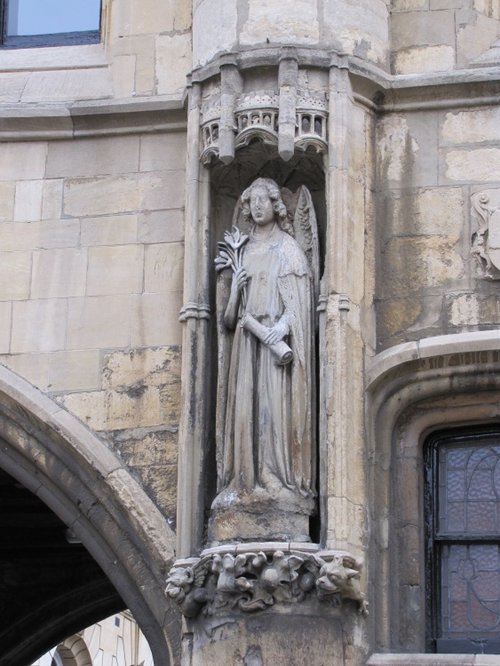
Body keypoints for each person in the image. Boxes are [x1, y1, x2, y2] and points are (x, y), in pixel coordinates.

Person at [215, 178, 315, 503]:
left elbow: (299, 304)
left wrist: (284, 326)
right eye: (252, 201)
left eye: (263, 200)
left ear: (276, 204)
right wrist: (234, 290)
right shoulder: (240, 252)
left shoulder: (288, 248)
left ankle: (275, 477)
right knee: (245, 410)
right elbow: (228, 321)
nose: (257, 206)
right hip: (246, 345)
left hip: (273, 346)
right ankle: (243, 480)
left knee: (273, 410)